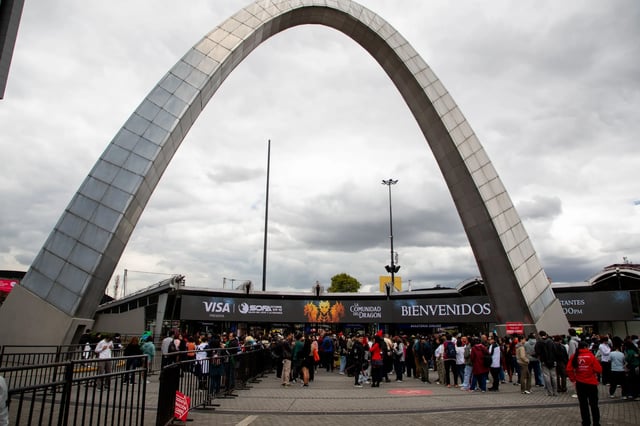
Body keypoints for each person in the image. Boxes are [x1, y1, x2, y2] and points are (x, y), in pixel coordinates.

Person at [567, 340, 602, 426]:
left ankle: (586, 422)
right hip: (591, 383)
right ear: (586, 347)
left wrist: (573, 379)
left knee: (583, 405)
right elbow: (599, 369)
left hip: (580, 383)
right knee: (594, 405)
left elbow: (569, 369)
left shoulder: (574, 356)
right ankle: (596, 423)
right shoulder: (590, 356)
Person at [535, 330, 557, 396]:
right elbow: (555, 351)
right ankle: (555, 391)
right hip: (553, 361)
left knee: (546, 376)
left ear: (539, 335)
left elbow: (537, 352)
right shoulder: (551, 341)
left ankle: (550, 391)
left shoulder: (539, 342)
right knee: (553, 376)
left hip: (544, 361)